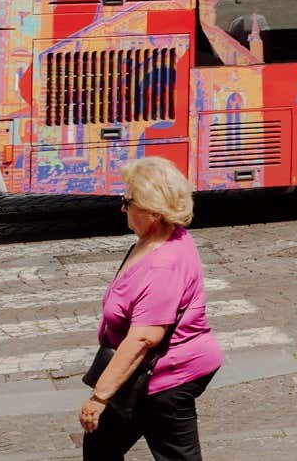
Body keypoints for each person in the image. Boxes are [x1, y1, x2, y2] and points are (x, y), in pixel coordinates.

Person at [81, 156, 222, 460]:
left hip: (165, 379)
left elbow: (144, 337)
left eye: (127, 199)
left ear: (152, 210)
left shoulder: (163, 263)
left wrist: (99, 396)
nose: (123, 207)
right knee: (99, 450)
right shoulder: (159, 239)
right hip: (135, 375)